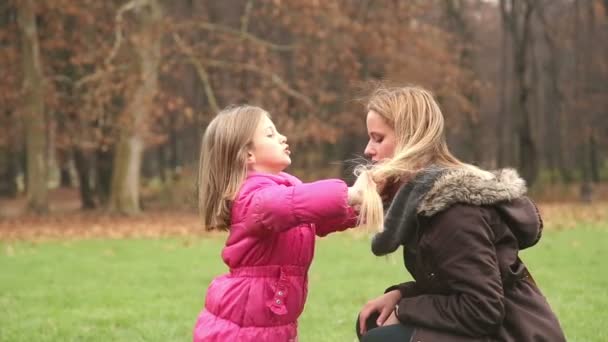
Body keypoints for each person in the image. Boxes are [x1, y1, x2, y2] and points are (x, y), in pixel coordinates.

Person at [355, 86, 566, 341]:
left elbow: (482, 308)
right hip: (487, 328)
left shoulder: (455, 212)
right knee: (371, 322)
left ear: (411, 140)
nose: (368, 150)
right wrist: (401, 294)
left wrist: (404, 309)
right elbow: (449, 284)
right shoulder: (423, 203)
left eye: (378, 139)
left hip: (513, 333)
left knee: (382, 339)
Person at [192, 105, 366, 342]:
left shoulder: (289, 190)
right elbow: (284, 205)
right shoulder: (252, 198)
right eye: (270, 134)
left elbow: (321, 215)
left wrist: (374, 204)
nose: (282, 137)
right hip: (239, 330)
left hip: (271, 323)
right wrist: (350, 193)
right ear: (248, 155)